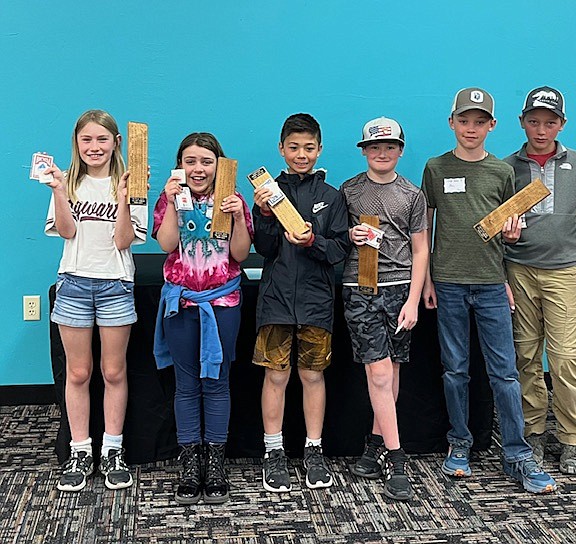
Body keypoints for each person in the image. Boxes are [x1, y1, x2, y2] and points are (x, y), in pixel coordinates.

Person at [421, 88, 557, 494]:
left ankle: (517, 454)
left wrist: (511, 242)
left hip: (491, 286)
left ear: (492, 126)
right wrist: (426, 279)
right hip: (447, 283)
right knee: (455, 369)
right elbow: (424, 228)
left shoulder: (501, 172)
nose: (471, 128)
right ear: (452, 123)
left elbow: (509, 231)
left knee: (505, 373)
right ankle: (459, 442)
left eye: (480, 122)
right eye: (464, 121)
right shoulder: (435, 167)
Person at [503, 86, 576, 475]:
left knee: (566, 357)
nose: (541, 129)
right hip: (518, 269)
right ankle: (532, 431)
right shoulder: (507, 168)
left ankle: (572, 437)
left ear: (561, 125)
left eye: (550, 122)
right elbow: (499, 226)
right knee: (526, 356)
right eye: (533, 121)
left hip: (564, 269)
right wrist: (506, 235)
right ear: (522, 122)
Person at [44, 110, 148, 492]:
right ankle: (80, 450)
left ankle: (113, 450)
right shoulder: (67, 182)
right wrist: (58, 192)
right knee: (78, 373)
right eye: (86, 140)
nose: (94, 147)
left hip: (115, 285)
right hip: (73, 284)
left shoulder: (132, 183)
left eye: (102, 139)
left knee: (114, 372)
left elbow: (123, 241)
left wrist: (122, 199)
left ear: (116, 142)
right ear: (77, 143)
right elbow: (67, 231)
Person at [153, 133, 253, 504]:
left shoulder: (232, 199)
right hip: (182, 302)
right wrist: (171, 204)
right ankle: (190, 459)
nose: (198, 169)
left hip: (222, 302)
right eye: (190, 161)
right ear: (181, 165)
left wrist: (239, 217)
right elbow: (165, 245)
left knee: (217, 380)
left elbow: (240, 254)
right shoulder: (171, 198)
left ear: (219, 165)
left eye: (206, 161)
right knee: (186, 382)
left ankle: (215, 460)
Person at [252, 113, 349, 493]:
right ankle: (273, 451)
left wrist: (313, 243)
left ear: (320, 149)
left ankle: (313, 448)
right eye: (294, 147)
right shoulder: (269, 193)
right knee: (275, 375)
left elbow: (340, 250)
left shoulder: (332, 197)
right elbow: (263, 249)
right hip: (276, 300)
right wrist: (264, 215)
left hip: (316, 301)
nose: (301, 154)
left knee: (312, 375)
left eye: (309, 148)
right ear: (281, 149)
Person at [340, 117, 428, 501]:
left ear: (400, 150)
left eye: (389, 146)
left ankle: (373, 447)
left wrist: (413, 299)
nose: (382, 153)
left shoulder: (412, 195)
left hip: (399, 291)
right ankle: (397, 457)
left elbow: (421, 249)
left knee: (390, 375)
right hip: (359, 288)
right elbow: (332, 238)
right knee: (377, 374)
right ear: (364, 151)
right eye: (374, 147)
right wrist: (348, 234)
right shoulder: (348, 191)